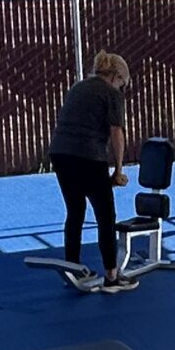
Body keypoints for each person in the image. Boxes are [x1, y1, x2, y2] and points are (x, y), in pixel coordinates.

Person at [50, 50, 133, 292]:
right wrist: (118, 170)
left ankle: (72, 266)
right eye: (123, 84)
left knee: (75, 210)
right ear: (116, 77)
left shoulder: (77, 88)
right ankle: (111, 274)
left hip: (60, 153)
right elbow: (117, 134)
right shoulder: (111, 94)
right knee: (105, 213)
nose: (122, 89)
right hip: (88, 154)